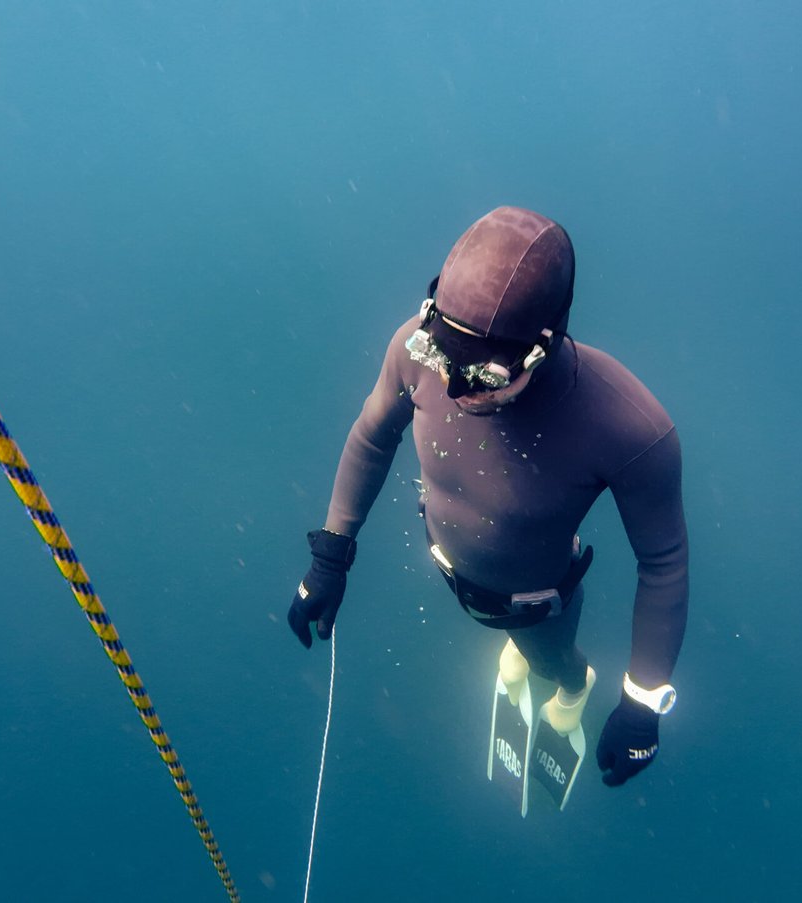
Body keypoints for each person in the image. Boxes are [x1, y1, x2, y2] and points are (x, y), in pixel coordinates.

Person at [286, 206, 688, 789]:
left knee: (551, 662)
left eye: (484, 377)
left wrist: (642, 705)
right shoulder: (410, 348)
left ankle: (572, 689)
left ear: (543, 344)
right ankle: (519, 652)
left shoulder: (629, 428)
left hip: (535, 601)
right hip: (454, 565)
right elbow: (373, 437)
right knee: (518, 643)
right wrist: (330, 557)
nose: (451, 384)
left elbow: (664, 564)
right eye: (440, 357)